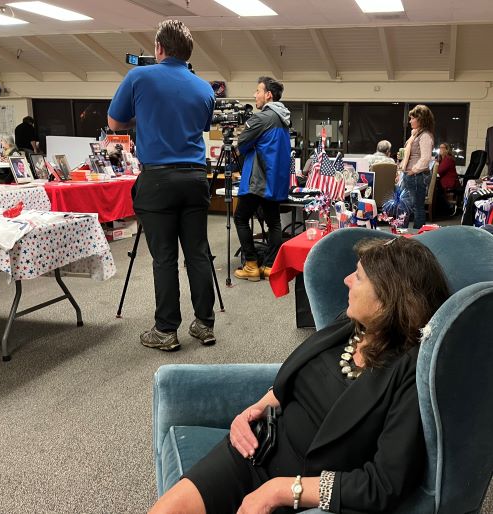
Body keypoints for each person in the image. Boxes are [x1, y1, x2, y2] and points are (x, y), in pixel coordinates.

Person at [148, 237, 450, 514]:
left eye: (358, 276)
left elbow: (383, 484)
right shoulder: (352, 327)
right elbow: (287, 386)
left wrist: (282, 490)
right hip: (256, 449)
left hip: (303, 488)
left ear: (388, 299)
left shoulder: (409, 373)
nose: (346, 280)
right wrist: (253, 409)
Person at [107, 19, 216, 352]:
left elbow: (115, 122)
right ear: (187, 52)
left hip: (158, 180)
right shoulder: (205, 88)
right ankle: (204, 325)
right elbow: (201, 124)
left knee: (164, 258)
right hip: (196, 178)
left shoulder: (139, 76)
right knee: (198, 253)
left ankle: (166, 330)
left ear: (159, 48)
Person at [233, 76, 291, 282]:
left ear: (268, 95)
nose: (254, 95)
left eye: (258, 90)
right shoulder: (284, 120)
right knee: (273, 222)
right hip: (275, 180)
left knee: (240, 218)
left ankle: (251, 264)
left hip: (258, 180)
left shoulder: (261, 118)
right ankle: (269, 265)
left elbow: (241, 145)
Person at [398, 104, 435, 229]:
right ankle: (408, 233)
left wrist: (412, 171)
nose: (410, 121)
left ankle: (418, 235)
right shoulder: (415, 135)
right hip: (412, 175)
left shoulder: (425, 136)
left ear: (420, 119)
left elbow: (425, 158)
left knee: (417, 208)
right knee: (409, 206)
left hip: (416, 176)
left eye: (412, 118)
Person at [435, 143, 459, 217]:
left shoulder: (448, 159)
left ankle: (447, 208)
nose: (440, 149)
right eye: (440, 147)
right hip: (444, 180)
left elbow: (439, 170)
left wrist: (436, 163)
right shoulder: (442, 159)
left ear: (447, 149)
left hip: (449, 182)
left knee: (436, 189)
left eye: (443, 148)